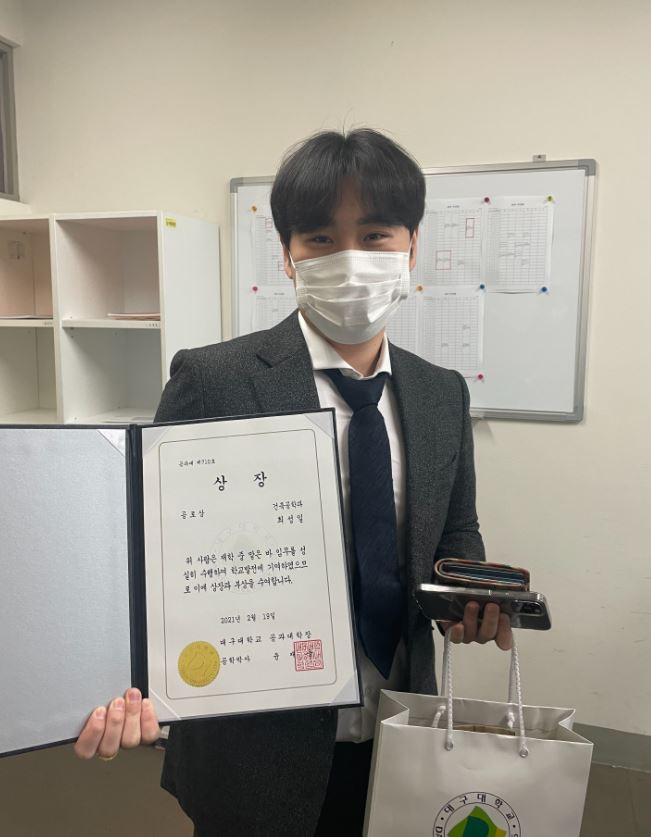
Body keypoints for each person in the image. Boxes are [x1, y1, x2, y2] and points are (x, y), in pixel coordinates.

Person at [75, 128, 512, 836]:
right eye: (320, 238)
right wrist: (119, 683)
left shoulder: (440, 392)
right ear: (287, 254)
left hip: (400, 729)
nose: (351, 259)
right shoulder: (214, 379)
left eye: (375, 235)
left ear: (411, 247)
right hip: (254, 748)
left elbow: (453, 531)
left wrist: (470, 597)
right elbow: (151, 556)